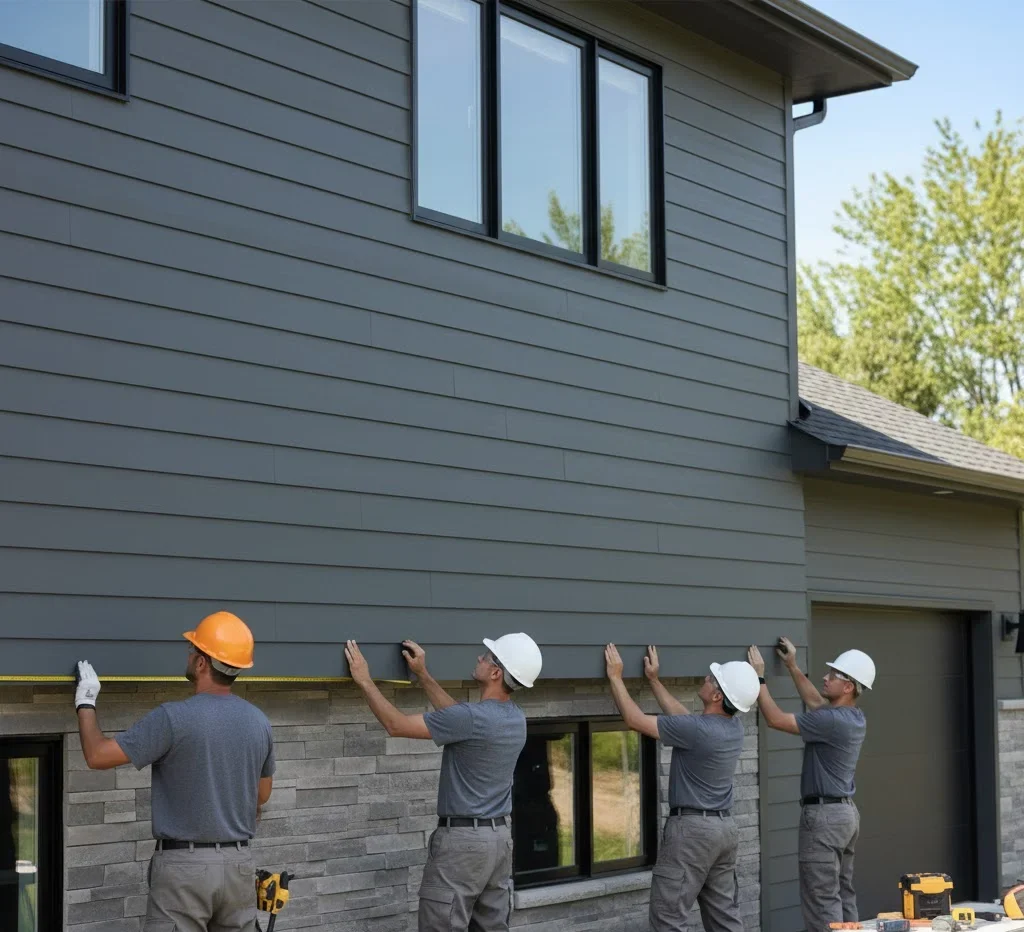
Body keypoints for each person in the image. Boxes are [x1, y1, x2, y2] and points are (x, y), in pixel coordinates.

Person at [75, 611, 275, 932]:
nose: (189, 654)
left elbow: (97, 756)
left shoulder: (173, 718)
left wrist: (86, 701)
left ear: (201, 664)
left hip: (185, 869)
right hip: (239, 866)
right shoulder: (259, 721)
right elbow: (261, 796)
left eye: (192, 650)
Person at [344, 634, 542, 932]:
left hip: (463, 846)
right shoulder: (515, 719)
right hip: (499, 841)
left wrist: (364, 680)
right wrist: (422, 674)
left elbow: (396, 725)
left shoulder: (472, 719)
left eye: (486, 657)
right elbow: (457, 718)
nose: (480, 658)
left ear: (495, 673)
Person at [604, 644, 760, 932]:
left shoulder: (699, 730)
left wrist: (615, 677)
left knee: (668, 918)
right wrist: (654, 681)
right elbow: (684, 720)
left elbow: (635, 720)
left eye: (712, 679)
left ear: (716, 696)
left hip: (692, 835)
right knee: (724, 917)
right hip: (724, 832)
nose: (706, 678)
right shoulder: (731, 728)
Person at [747, 637, 875, 932]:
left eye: (834, 675)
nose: (825, 677)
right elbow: (815, 701)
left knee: (821, 899)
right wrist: (792, 665)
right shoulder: (852, 717)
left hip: (824, 819)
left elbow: (776, 720)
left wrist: (759, 678)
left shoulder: (832, 721)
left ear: (848, 687)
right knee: (843, 893)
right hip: (845, 816)